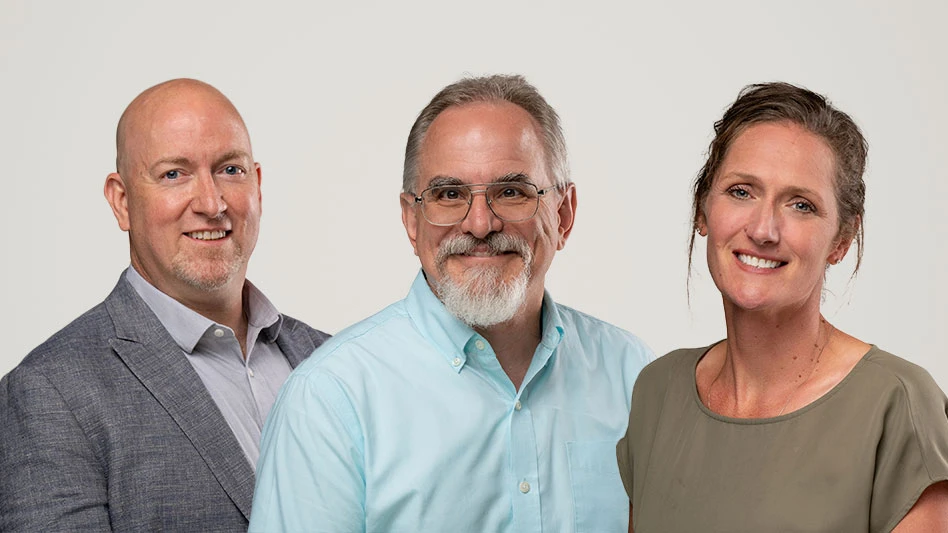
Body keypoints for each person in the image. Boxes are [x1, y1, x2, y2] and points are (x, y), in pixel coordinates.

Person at [250, 74, 653, 532]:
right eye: (449, 195)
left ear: (563, 214)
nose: (480, 224)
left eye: (511, 192)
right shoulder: (329, 400)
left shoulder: (633, 376)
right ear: (411, 220)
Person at [0, 79, 329, 531]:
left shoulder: (329, 358)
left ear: (257, 185)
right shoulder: (51, 395)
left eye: (229, 170)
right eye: (174, 174)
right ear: (122, 202)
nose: (212, 204)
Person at [617, 82, 948, 532]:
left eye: (801, 205)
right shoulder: (658, 392)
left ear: (842, 239)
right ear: (702, 210)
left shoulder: (897, 404)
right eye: (741, 191)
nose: (764, 229)